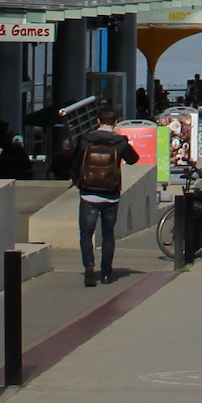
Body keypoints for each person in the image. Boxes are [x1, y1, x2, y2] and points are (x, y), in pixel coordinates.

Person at [74, 108, 141, 289]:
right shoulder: (119, 142)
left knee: (86, 234)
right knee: (108, 234)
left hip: (88, 194)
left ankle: (89, 266)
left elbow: (74, 163)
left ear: (98, 121)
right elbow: (134, 159)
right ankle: (106, 273)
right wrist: (121, 138)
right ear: (115, 122)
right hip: (110, 195)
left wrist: (78, 182)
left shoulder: (86, 139)